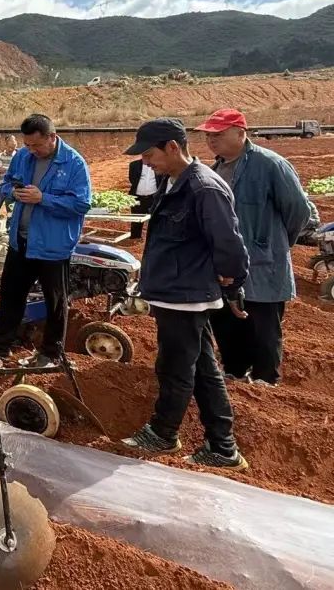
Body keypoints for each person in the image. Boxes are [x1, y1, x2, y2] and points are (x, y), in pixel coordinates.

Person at [121, 119, 250, 470]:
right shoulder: (173, 181)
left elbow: (230, 246)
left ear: (173, 148)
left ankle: (163, 434)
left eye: (149, 154)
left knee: (175, 368)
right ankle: (222, 447)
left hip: (186, 294)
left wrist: (235, 286)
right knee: (204, 367)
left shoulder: (204, 189)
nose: (146, 162)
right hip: (174, 291)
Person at [196, 109, 311, 386]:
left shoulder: (271, 164)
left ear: (240, 132)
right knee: (226, 322)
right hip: (226, 263)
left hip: (264, 263)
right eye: (209, 135)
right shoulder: (214, 170)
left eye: (218, 134)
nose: (212, 140)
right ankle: (234, 371)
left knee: (263, 326)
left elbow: (298, 211)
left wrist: (276, 243)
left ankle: (265, 379)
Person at [0, 115, 91, 366]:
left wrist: (43, 198)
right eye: (28, 145)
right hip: (21, 241)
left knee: (55, 300)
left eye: (37, 145)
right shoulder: (22, 157)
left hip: (52, 247)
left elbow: (81, 204)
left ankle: (51, 352)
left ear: (52, 137)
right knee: (11, 294)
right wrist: (12, 192)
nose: (32, 150)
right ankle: (3, 346)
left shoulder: (74, 163)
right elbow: (4, 184)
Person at [128, 159, 161, 240]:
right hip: (137, 197)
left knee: (154, 220)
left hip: (153, 198)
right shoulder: (134, 165)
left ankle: (153, 239)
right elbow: (132, 179)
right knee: (136, 220)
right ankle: (135, 237)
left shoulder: (159, 165)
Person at [0, 135, 18, 219]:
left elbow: (20, 170)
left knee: (11, 208)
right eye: (11, 141)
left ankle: (10, 225)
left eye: (14, 141)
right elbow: (0, 169)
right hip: (1, 185)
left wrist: (7, 168)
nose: (14, 143)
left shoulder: (18, 156)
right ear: (6, 144)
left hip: (13, 186)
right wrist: (13, 169)